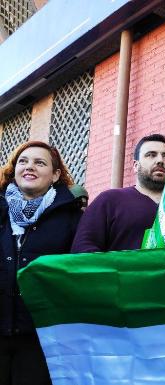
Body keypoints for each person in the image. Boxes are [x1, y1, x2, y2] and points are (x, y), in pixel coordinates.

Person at [0, 141, 83, 385]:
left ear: (56, 174)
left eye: (40, 162)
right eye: (23, 161)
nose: (29, 167)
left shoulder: (73, 218)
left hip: (43, 341)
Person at [71, 134, 165, 252]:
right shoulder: (110, 200)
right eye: (151, 155)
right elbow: (83, 249)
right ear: (135, 166)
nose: (160, 160)